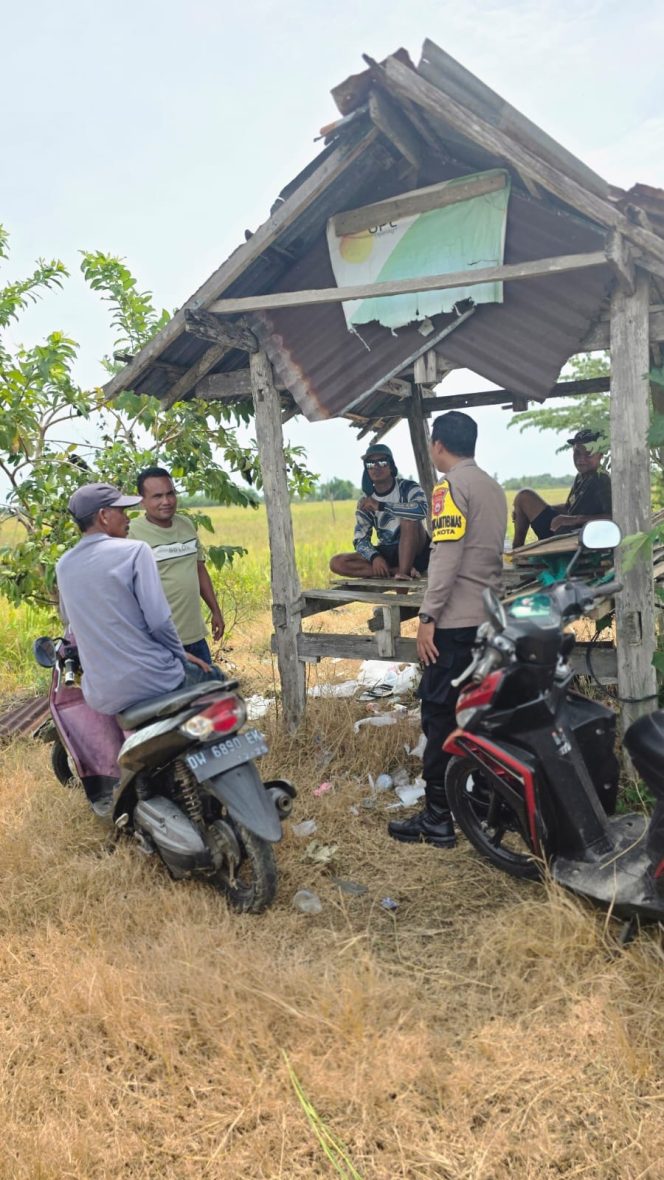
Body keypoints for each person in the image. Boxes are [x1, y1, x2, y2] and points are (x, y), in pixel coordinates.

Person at [388, 411, 507, 849]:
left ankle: (439, 817)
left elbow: (446, 557)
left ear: (438, 445)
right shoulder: (492, 486)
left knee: (439, 717)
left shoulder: (449, 488)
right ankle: (486, 802)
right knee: (480, 715)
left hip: (455, 624)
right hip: (488, 622)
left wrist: (427, 617)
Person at [56, 483, 222, 717]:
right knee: (218, 681)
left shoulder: (63, 564)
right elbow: (159, 622)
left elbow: (69, 620)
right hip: (155, 680)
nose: (128, 518)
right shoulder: (135, 551)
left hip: (103, 696)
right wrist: (181, 655)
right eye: (122, 512)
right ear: (103, 516)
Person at [128, 467, 225, 664]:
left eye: (170, 493)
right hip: (159, 643)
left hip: (195, 637)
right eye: (157, 496)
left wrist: (215, 610)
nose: (166, 501)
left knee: (207, 683)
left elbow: (199, 569)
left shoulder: (186, 525)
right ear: (142, 500)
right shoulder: (131, 533)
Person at [329, 444, 430, 579]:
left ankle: (403, 577)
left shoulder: (408, 487)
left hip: (418, 550)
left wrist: (381, 506)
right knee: (337, 562)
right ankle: (394, 571)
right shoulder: (366, 502)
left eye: (382, 462)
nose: (376, 467)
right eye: (370, 464)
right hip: (388, 551)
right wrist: (375, 557)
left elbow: (421, 510)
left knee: (408, 519)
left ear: (391, 466)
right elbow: (360, 539)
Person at [512, 429, 612, 548]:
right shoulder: (581, 477)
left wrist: (574, 519)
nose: (581, 459)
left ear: (600, 455)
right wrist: (531, 511)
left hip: (576, 537)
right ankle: (517, 551)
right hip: (562, 530)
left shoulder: (602, 479)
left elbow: (612, 516)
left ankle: (517, 551)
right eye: (577, 453)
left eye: (588, 453)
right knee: (524, 501)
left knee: (524, 496)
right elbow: (568, 508)